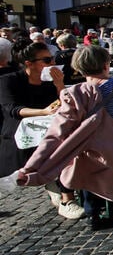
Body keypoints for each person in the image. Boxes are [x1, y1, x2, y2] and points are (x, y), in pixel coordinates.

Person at [16, 46, 113, 229]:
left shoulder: (74, 94)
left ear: (79, 68)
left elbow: (57, 133)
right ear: (107, 65)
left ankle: (93, 214)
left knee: (81, 160)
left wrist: (31, 166)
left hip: (92, 157)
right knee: (109, 159)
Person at [0, 40, 78, 218]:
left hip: (51, 127)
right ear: (29, 64)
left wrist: (59, 84)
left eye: (51, 59)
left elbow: (65, 103)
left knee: (72, 143)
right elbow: (12, 109)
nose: (52, 63)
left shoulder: (49, 80)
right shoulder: (8, 81)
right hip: (20, 131)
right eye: (47, 60)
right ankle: (62, 191)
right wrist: (42, 112)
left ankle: (67, 193)